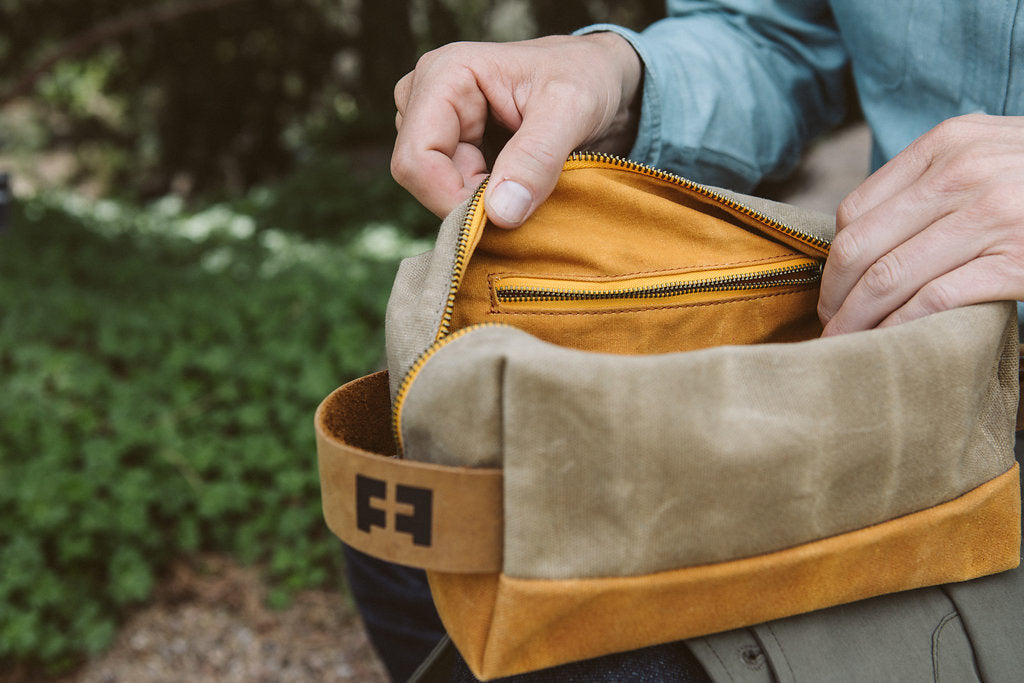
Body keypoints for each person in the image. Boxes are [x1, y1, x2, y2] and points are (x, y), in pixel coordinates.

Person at [348, 1, 1024, 679]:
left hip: (962, 424)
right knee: (405, 548)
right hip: (897, 339)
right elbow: (772, 36)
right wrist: (620, 81)